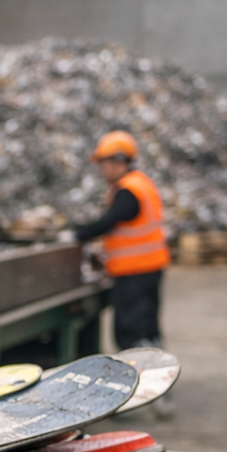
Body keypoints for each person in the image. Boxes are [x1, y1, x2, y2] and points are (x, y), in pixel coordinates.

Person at [70, 131, 171, 350]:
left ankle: (139, 373)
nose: (101, 170)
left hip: (134, 272)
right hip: (149, 267)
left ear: (119, 162)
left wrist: (76, 234)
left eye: (103, 164)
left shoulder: (129, 191)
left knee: (131, 329)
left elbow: (108, 222)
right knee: (147, 325)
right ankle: (155, 369)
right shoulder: (141, 183)